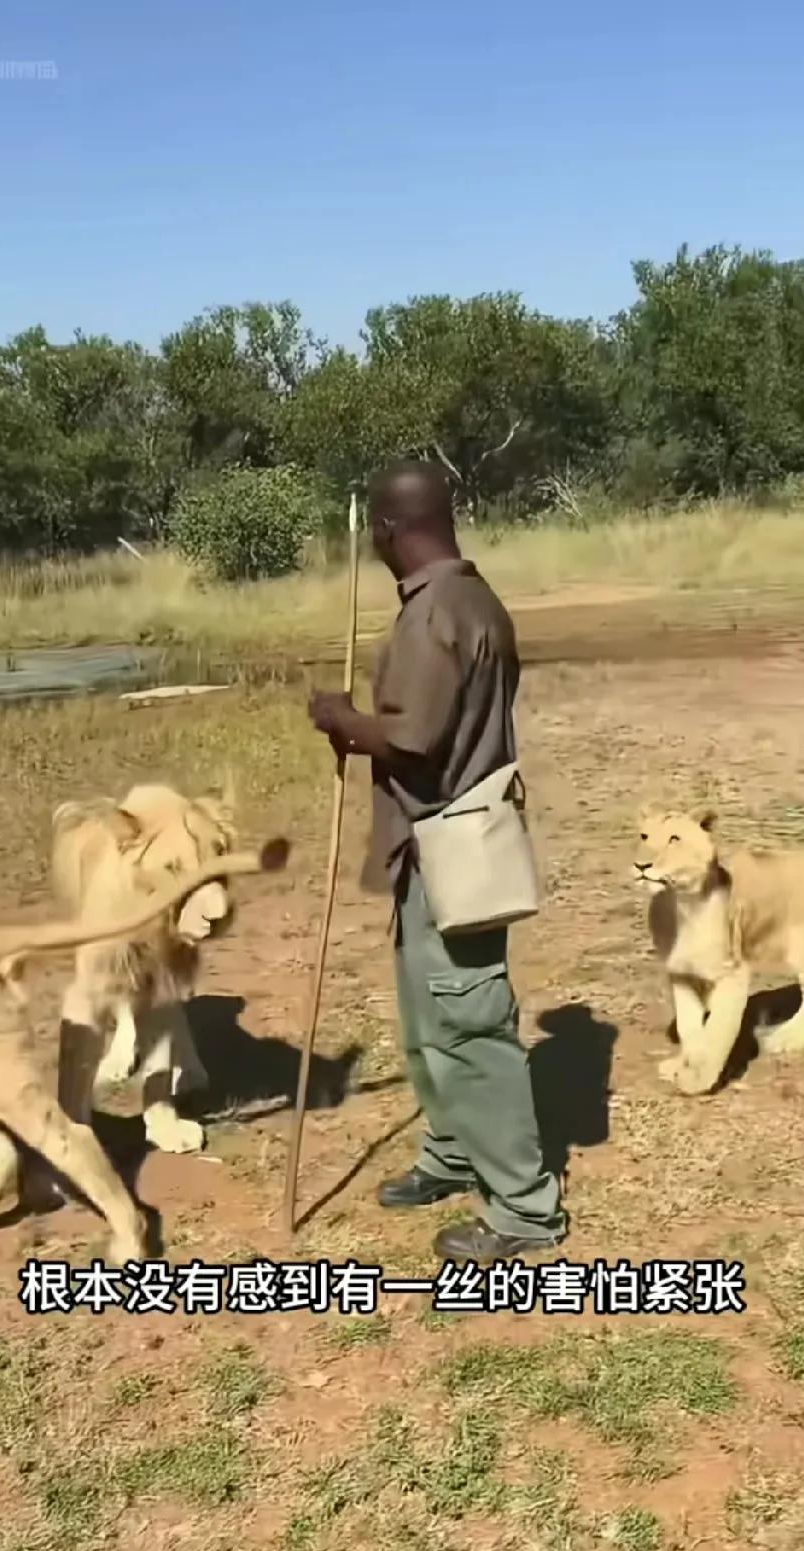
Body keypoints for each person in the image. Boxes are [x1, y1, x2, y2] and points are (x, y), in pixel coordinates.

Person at [308, 459, 567, 1263]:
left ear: (389, 528)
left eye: (377, 535)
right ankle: (453, 1153)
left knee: (468, 1025)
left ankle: (523, 1208)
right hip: (432, 848)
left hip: (452, 844)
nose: (376, 548)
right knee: (431, 1019)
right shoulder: (472, 596)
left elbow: (414, 738)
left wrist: (343, 717)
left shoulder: (435, 615)